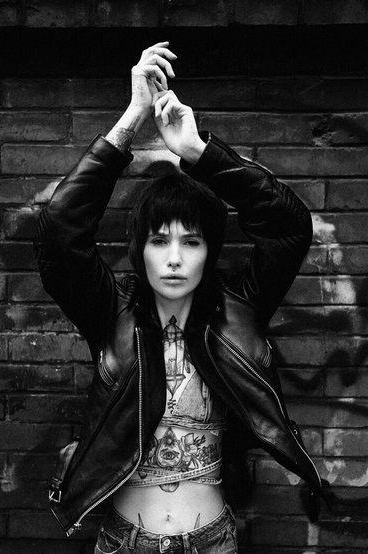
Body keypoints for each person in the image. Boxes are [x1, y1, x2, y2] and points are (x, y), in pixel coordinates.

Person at [34, 42, 322, 554]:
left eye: (191, 242)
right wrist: (132, 119)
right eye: (159, 240)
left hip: (213, 541)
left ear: (209, 253)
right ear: (139, 250)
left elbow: (289, 228)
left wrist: (197, 152)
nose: (173, 259)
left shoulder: (240, 310)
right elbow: (59, 232)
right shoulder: (112, 312)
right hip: (125, 543)